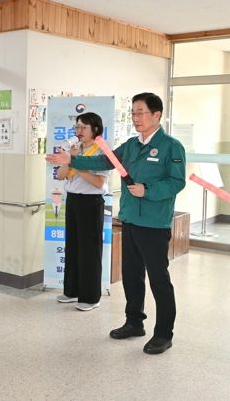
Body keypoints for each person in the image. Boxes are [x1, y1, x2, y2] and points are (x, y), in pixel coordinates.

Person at [47, 92, 186, 354]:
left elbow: (177, 181)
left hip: (154, 223)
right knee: (131, 276)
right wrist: (72, 160)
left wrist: (148, 190)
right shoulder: (131, 145)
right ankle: (134, 322)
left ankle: (163, 333)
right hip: (130, 218)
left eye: (140, 112)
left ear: (157, 115)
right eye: (133, 112)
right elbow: (104, 160)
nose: (135, 117)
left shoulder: (171, 146)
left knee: (158, 279)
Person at [55, 112, 109, 311]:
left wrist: (76, 163)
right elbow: (61, 175)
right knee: (72, 247)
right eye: (77, 127)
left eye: (83, 127)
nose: (79, 131)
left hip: (91, 202)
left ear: (95, 129)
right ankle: (72, 291)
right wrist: (68, 158)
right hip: (73, 200)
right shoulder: (75, 148)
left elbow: (98, 183)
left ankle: (91, 297)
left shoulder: (101, 150)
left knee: (89, 251)